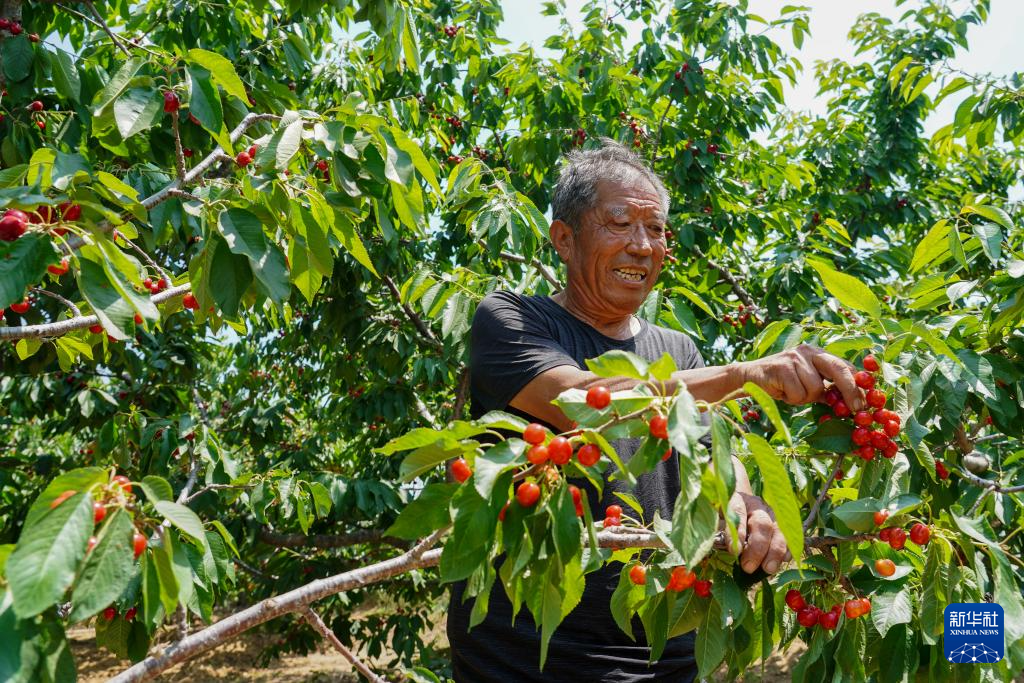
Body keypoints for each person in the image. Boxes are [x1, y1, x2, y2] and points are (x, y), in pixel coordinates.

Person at [447, 140, 868, 682]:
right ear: (564, 239)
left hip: (664, 650)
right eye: (620, 224)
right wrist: (745, 375)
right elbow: (584, 404)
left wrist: (746, 499)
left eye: (657, 230)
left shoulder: (679, 352)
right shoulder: (509, 318)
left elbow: (710, 457)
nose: (642, 246)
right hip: (523, 654)